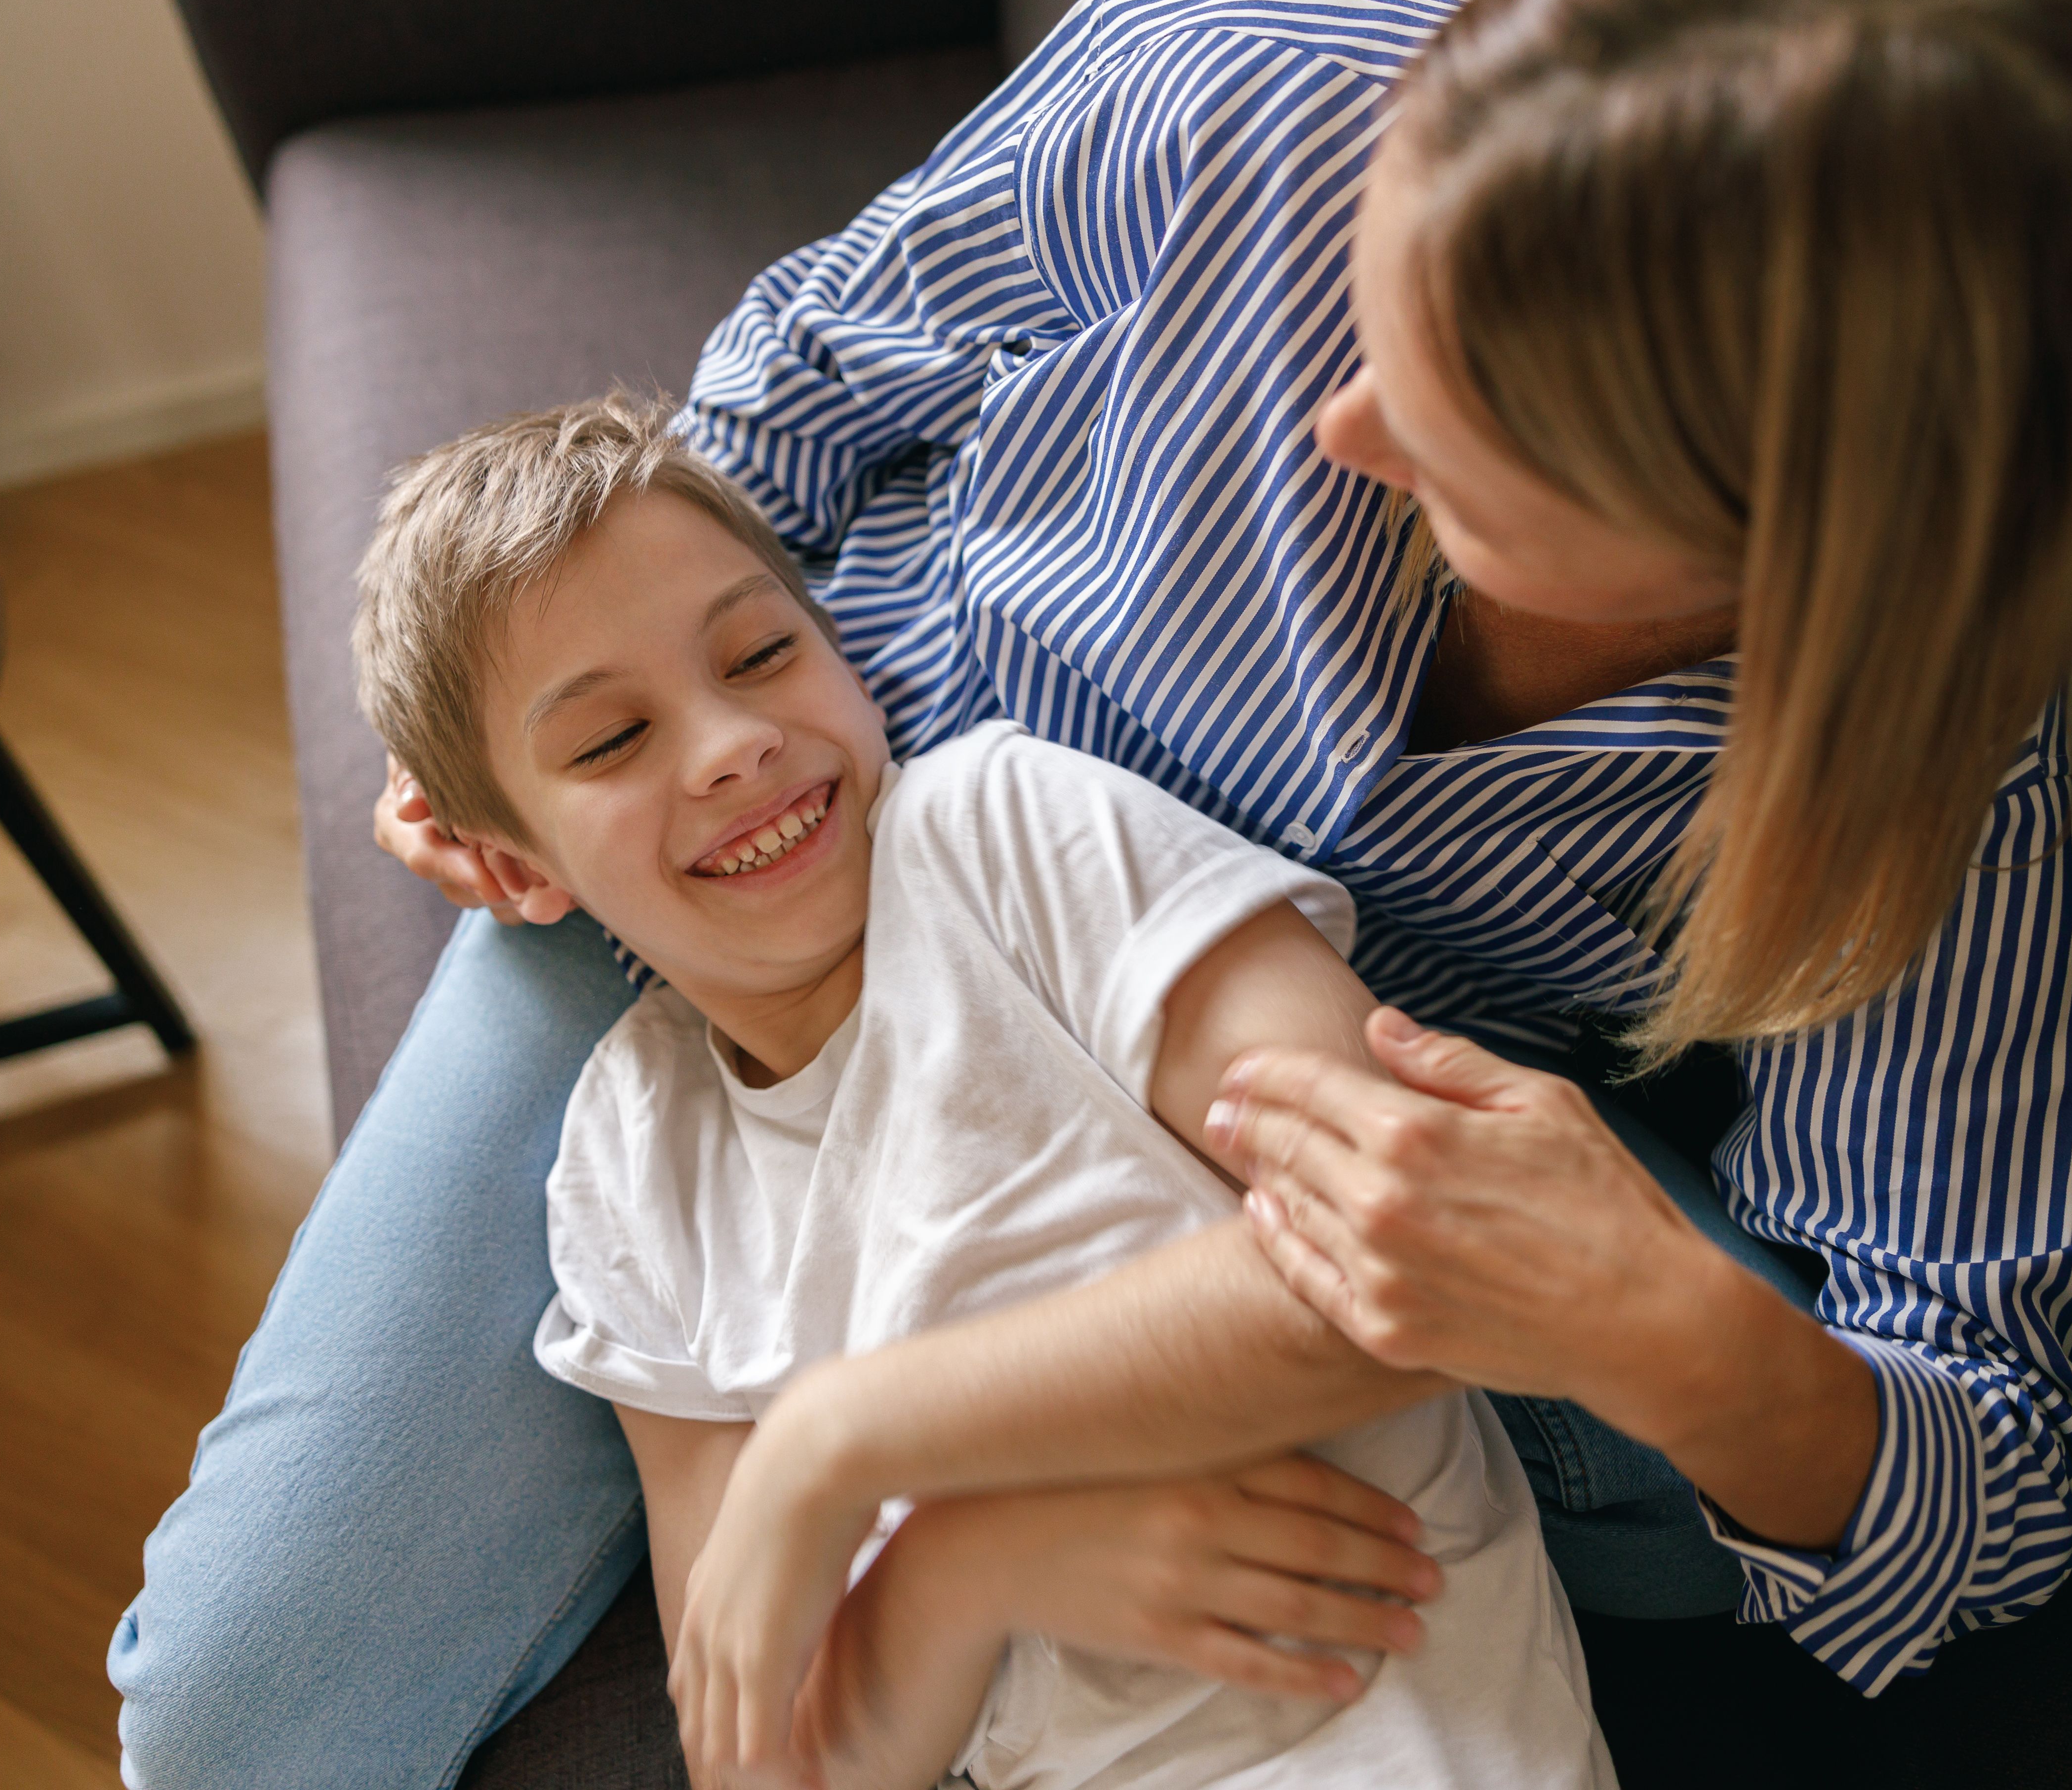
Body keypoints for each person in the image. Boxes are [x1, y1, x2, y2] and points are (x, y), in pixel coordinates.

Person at [110, 0, 2072, 1782]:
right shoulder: (1245, 87)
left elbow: (2004, 1451)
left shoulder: (1927, 779)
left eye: (1468, 424)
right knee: (239, 1712)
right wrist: (572, 716)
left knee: (1705, 1403)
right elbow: (797, 378)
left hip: (1284, 1195)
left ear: (1784, 534)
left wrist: (1670, 1332)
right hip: (806, 875)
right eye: (1379, 297)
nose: (1344, 423)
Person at [350, 393, 1614, 1789]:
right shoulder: (630, 1165)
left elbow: (1433, 1253)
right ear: (518, 871)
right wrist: (969, 1566)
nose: (729, 745)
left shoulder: (1010, 836)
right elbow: (761, 1761)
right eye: (610, 742)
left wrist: (847, 1443)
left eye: (764, 654)